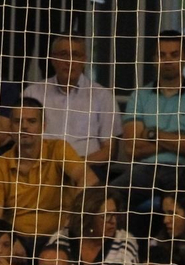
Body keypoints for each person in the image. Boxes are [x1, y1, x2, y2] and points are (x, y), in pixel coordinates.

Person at [0, 100, 95, 241]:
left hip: (61, 237)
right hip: (17, 240)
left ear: (43, 126)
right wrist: (9, 243)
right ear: (10, 129)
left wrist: (71, 222)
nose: (24, 126)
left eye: (31, 121)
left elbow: (89, 179)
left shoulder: (58, 149)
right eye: (18, 122)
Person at [117, 32, 185, 198]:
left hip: (183, 170)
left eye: (174, 55)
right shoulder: (139, 95)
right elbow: (131, 149)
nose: (167, 60)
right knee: (107, 196)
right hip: (143, 170)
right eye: (162, 55)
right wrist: (178, 137)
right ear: (154, 59)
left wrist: (152, 134)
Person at [23, 34, 121, 173]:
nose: (69, 61)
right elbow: (21, 139)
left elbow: (109, 151)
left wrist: (74, 165)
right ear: (52, 59)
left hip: (87, 168)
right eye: (63, 55)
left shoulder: (102, 96)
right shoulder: (33, 93)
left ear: (84, 60)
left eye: (76, 55)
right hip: (41, 169)